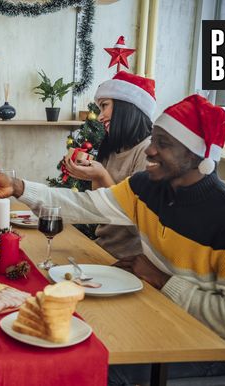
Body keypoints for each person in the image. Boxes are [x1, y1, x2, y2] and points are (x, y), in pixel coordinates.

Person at [0, 94, 225, 383]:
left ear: (196, 156)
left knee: (89, 366)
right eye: (153, 140)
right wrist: (17, 187)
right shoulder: (147, 187)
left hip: (215, 347)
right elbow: (84, 205)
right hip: (159, 312)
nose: (150, 151)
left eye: (163, 144)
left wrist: (162, 280)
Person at [64, 71, 155, 259]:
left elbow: (135, 221)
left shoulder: (148, 152)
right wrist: (92, 175)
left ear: (126, 107)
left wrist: (102, 175)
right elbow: (102, 211)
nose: (99, 117)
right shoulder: (113, 148)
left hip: (129, 259)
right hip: (102, 248)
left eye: (104, 106)